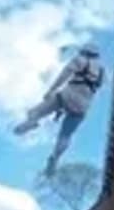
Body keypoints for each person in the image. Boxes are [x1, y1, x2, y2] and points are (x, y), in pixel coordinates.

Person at [13, 42, 104, 176]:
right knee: (65, 136)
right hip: (82, 107)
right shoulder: (102, 71)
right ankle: (55, 158)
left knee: (33, 112)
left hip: (66, 97)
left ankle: (32, 122)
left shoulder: (79, 60)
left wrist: (50, 91)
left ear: (84, 51)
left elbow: (64, 75)